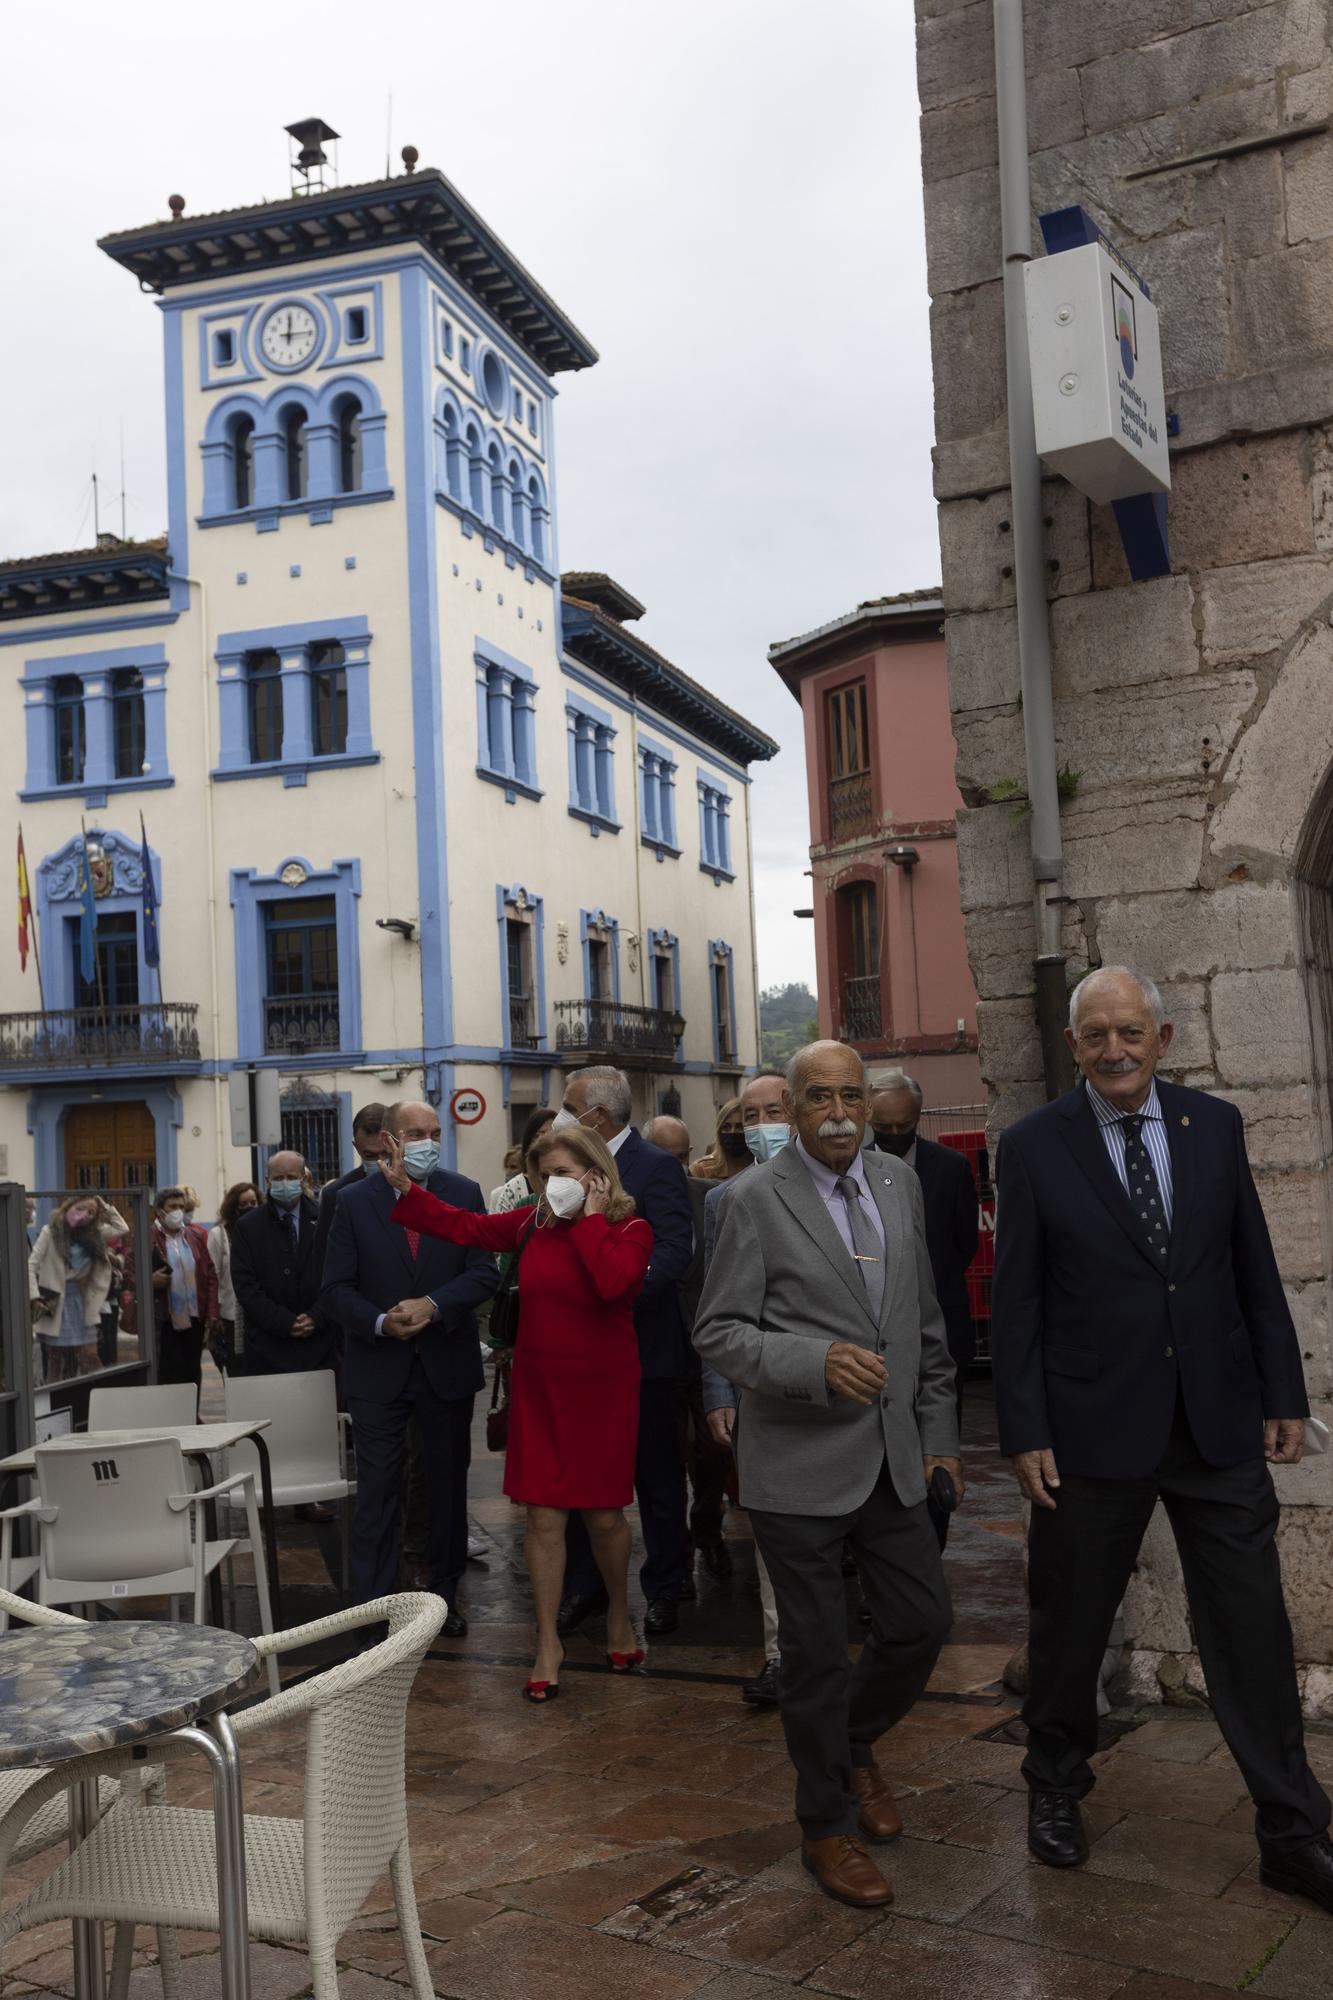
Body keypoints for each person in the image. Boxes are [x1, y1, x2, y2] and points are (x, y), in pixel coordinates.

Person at [992, 965, 1333, 1907]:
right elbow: (1014, 1302)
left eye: (1129, 1033)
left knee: (1252, 1630)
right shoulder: (1031, 1147)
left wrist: (1283, 1392)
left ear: (1162, 1039)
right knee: (1069, 1630)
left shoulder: (1212, 1125)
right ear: (1075, 1045)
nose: (1113, 1050)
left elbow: (1249, 1265)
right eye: (1096, 1035)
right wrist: (1022, 1426)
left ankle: (1292, 1831)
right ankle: (1054, 1789)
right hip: (1086, 1432)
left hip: (1216, 1425)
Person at [695, 1040, 959, 1911]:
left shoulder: (898, 1183)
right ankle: (826, 1827)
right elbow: (721, 1332)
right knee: (811, 1656)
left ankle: (850, 1744)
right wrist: (813, 1362)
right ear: (791, 1109)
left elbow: (920, 1321)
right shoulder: (748, 1200)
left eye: (851, 1094)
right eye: (819, 1098)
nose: (839, 1113)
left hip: (891, 1461)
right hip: (796, 1467)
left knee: (921, 1623)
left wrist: (936, 1431)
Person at [381, 1122, 652, 1699]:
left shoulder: (630, 1228)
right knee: (543, 1517)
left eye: (564, 1173)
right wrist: (408, 1190)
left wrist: (588, 1222)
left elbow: (612, 1286)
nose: (552, 1184)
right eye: (544, 1174)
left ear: (596, 1174)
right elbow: (467, 1226)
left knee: (604, 1517)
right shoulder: (530, 1223)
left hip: (603, 1392)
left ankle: (620, 1615)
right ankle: (547, 1639)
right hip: (539, 1386)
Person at [319, 1100, 499, 1634]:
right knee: (377, 1493)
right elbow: (333, 1289)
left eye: (434, 1132)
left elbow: (483, 1273)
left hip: (445, 1364)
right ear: (388, 1140)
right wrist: (379, 1321)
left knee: (446, 1492)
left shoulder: (462, 1192)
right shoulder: (352, 1202)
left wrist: (434, 1305)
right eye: (415, 1133)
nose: (427, 1140)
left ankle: (441, 1604)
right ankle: (373, 1612)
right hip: (379, 1370)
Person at [551, 1067, 695, 1638]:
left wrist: (613, 1293)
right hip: (580, 1359)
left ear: (598, 1116)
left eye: (568, 1105)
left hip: (645, 1358)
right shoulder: (563, 1165)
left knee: (658, 1482)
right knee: (584, 1481)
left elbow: (675, 1254)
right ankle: (585, 1586)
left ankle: (665, 1588)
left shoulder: (656, 1169)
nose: (559, 1113)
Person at [697, 1068, 791, 1704]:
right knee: (774, 1533)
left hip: (859, 1389)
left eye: (773, 1112)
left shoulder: (874, 1185)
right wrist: (718, 1392)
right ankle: (783, 1654)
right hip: (764, 1393)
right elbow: (717, 1309)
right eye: (749, 1119)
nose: (762, 1128)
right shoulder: (722, 1201)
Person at [867, 1069, 978, 1550]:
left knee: (937, 1452)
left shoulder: (949, 1169)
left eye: (902, 1128)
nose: (893, 1138)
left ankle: (930, 1555)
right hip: (872, 1335)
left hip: (940, 1331)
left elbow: (965, 1244)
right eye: (884, 1129)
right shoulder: (854, 1170)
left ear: (917, 1118)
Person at [645, 1113, 734, 1591]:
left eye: (682, 1157)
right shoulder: (628, 1207)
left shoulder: (712, 1200)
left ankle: (708, 1529)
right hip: (656, 1356)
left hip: (708, 1354)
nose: (676, 1169)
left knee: (715, 1452)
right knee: (662, 1463)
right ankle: (671, 1567)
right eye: (666, 1157)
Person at [230, 1150, 333, 1377]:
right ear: (267, 1181)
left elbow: (338, 1275)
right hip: (268, 1349)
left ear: (304, 1179)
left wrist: (317, 1316)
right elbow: (245, 1286)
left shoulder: (326, 1219)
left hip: (321, 1347)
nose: (284, 1184)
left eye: (290, 1177)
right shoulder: (248, 1227)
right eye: (278, 1178)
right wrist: (284, 1322)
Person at [29, 1197, 129, 1383]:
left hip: (82, 1301)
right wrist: (34, 1296)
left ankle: (95, 1397)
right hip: (53, 1300)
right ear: (69, 1206)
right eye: (81, 1208)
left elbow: (122, 1228)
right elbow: (31, 1265)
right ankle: (55, 1402)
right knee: (55, 1358)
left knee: (89, 1355)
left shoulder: (94, 1234)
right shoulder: (49, 1232)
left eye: (91, 1212)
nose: (85, 1214)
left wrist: (104, 1205)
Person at [312, 1102, 389, 1292]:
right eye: (370, 1155)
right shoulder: (336, 1195)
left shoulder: (426, 1188)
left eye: (385, 1153)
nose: (380, 1162)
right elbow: (324, 1265)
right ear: (356, 1147)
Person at [206, 1181, 260, 1374]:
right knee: (237, 1369)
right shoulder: (219, 1235)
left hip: (260, 1314)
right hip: (230, 1316)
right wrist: (215, 1313)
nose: (249, 1208)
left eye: (253, 1203)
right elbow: (213, 1277)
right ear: (233, 1207)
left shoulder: (264, 1231)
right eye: (243, 1204)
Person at [491, 1108, 555, 1212]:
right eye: (540, 1134)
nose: (549, 1140)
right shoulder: (513, 1190)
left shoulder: (572, 1181)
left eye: (553, 1133)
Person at [690, 1098, 749, 1181]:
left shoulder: (761, 1168)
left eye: (740, 1127)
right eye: (726, 1127)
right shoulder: (701, 1170)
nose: (732, 1132)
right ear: (719, 1131)